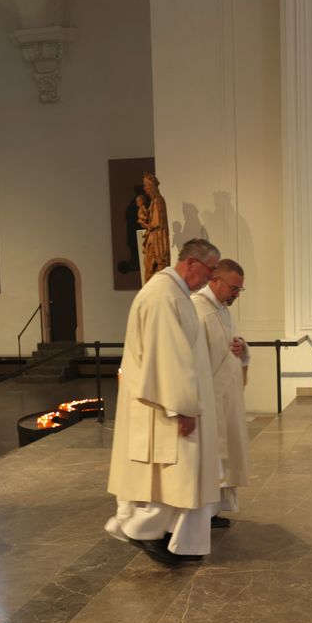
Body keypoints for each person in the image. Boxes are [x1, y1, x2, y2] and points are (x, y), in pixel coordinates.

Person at [106, 238, 222, 566]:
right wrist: (183, 406)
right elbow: (167, 357)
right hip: (164, 406)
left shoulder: (177, 294)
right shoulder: (162, 295)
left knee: (177, 478)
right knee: (167, 477)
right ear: (190, 263)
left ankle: (173, 538)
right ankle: (142, 531)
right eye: (210, 270)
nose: (211, 278)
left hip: (172, 402)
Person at [192, 259, 250, 529]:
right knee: (212, 458)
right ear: (215, 280)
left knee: (225, 457)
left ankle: (214, 511)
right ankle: (203, 514)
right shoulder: (197, 310)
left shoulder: (223, 311)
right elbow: (192, 358)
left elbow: (232, 344)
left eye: (240, 290)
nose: (236, 295)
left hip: (227, 398)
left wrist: (242, 349)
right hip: (209, 400)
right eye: (234, 288)